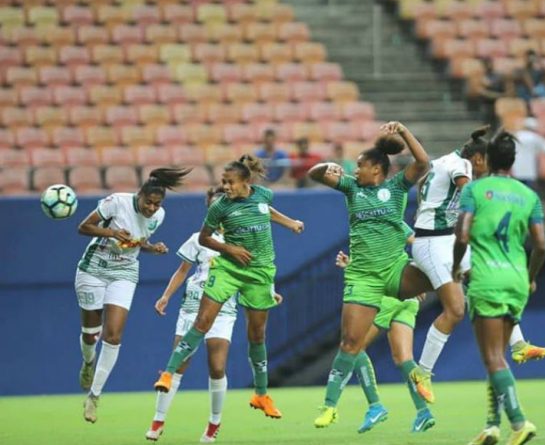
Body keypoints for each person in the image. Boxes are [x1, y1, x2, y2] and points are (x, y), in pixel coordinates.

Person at [153, 159, 304, 424]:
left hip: (260, 272)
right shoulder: (220, 207)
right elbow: (204, 239)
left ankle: (261, 395)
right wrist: (230, 249)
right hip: (228, 269)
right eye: (223, 182)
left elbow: (265, 209)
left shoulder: (262, 195)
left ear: (246, 183)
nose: (225, 187)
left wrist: (290, 222)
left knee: (257, 335)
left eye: (230, 182)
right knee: (202, 322)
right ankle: (168, 372)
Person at [307, 121, 434, 428]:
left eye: (360, 165)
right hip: (363, 277)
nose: (354, 170)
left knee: (445, 277)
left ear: (376, 169)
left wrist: (404, 132)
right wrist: (328, 166)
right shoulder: (351, 188)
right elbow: (314, 174)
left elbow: (424, 163)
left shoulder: (396, 188)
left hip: (393, 272)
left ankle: (411, 390)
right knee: (351, 344)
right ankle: (331, 407)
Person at [414, 125, 545, 385]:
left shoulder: (444, 160)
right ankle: (422, 372)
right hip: (433, 242)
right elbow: (467, 189)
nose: (484, 170)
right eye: (484, 164)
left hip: (444, 237)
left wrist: (426, 206)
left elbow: (423, 182)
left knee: (485, 277)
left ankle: (519, 344)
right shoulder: (463, 166)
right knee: (455, 309)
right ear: (478, 158)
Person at [453, 130, 545, 445]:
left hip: (487, 279)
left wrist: (456, 267)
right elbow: (541, 246)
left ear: (488, 159)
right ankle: (491, 425)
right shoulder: (528, 195)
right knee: (497, 358)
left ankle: (519, 422)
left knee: (492, 357)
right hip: (517, 279)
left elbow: (463, 235)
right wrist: (531, 276)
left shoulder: (476, 190)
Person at [77, 167, 190, 423]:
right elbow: (83, 227)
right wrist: (111, 232)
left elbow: (135, 243)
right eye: (148, 202)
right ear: (139, 196)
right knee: (90, 334)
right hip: (93, 270)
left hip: (124, 272)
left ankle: (94, 396)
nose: (151, 208)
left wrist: (152, 248)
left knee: (114, 335)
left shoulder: (159, 216)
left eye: (156, 204)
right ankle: (87, 362)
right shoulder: (116, 202)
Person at [335, 233, 436, 434]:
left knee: (355, 348)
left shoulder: (381, 221)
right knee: (404, 359)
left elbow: (379, 262)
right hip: (408, 299)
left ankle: (375, 406)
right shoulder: (394, 223)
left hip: (388, 296)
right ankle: (424, 412)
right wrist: (415, 281)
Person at [512, 117, 545, 189]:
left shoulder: (516, 135)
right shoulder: (535, 137)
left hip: (517, 169)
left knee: (518, 190)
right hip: (530, 170)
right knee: (528, 191)